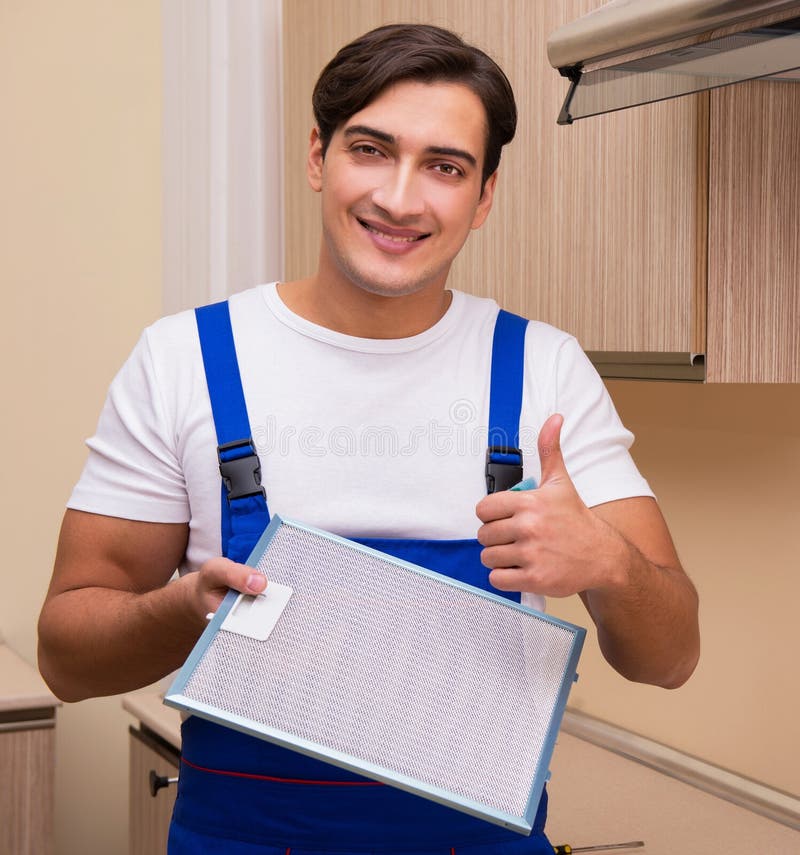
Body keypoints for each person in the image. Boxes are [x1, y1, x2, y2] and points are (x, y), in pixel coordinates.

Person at [38, 22, 700, 855]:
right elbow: (65, 657)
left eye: (445, 167)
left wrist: (607, 561)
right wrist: (186, 608)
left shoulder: (544, 371)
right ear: (318, 157)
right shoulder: (185, 363)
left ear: (485, 195)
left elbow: (671, 656)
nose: (399, 197)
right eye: (371, 149)